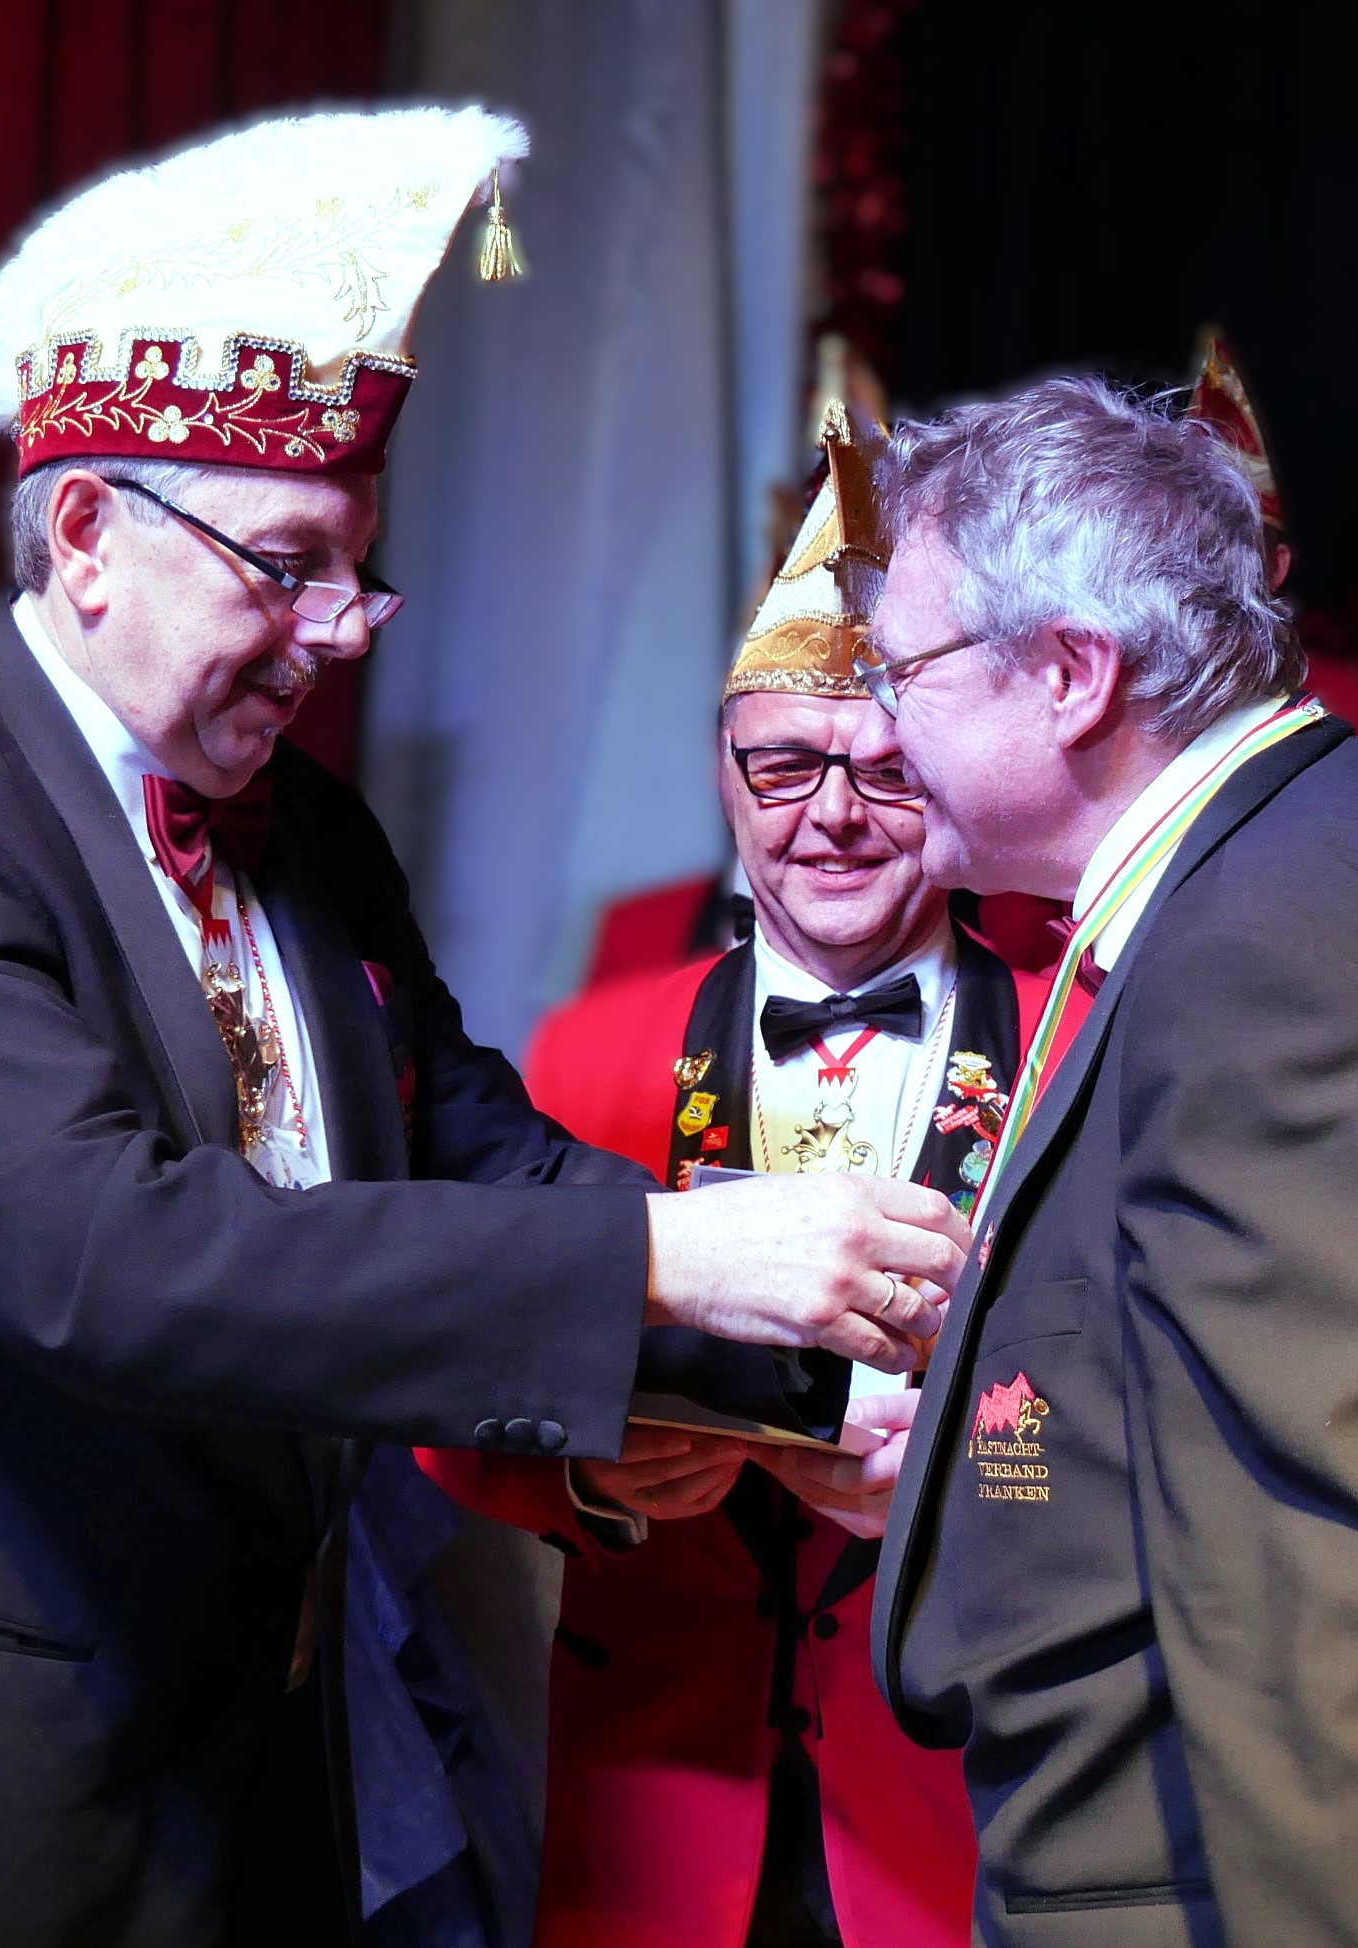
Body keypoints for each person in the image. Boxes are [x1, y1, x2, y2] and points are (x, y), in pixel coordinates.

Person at [0, 110, 968, 1948]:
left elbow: (473, 1150)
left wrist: (804, 1393)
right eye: (282, 564)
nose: (333, 633)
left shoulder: (310, 824)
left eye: (355, 569)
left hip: (248, 1770)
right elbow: (113, 1259)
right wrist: (674, 1247)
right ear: (87, 534)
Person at [853, 375, 1358, 1947]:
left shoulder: (1262, 956)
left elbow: (1350, 1616)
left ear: (1071, 674)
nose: (875, 736)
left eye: (904, 675)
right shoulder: (1340, 852)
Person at [424, 403, 1011, 1948]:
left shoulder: (1084, 1042)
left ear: (953, 779)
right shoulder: (589, 1049)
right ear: (720, 769)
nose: (827, 816)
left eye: (882, 772)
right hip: (656, 1804)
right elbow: (448, 1397)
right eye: (783, 765)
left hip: (972, 1809)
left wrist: (963, 1490)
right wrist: (592, 1483)